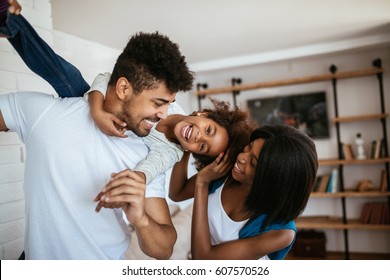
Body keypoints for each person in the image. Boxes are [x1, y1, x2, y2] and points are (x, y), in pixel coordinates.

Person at [0, 1, 196, 259]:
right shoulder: (51, 111)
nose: (164, 114)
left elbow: (164, 249)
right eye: (158, 103)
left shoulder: (148, 155)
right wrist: (95, 106)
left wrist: (140, 219)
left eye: (168, 105)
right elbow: (103, 79)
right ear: (124, 89)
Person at [169, 125, 318, 260]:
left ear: (273, 180)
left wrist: (202, 183)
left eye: (253, 163)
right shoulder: (226, 173)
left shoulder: (281, 233)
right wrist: (184, 145)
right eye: (249, 147)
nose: (241, 158)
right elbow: (177, 193)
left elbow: (203, 258)